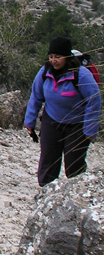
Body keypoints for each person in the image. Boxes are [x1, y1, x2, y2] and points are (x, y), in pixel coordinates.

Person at [24, 36, 101, 187]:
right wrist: (30, 121)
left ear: (67, 57)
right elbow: (36, 97)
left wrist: (90, 130)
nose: (54, 60)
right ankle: (45, 191)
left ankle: (77, 191)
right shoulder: (44, 72)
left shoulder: (81, 74)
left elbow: (94, 101)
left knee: (74, 162)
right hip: (51, 121)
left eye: (58, 57)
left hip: (77, 126)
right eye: (51, 57)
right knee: (48, 158)